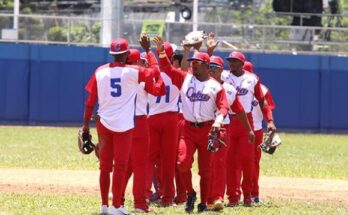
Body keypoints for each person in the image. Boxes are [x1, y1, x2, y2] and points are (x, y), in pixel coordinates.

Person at [81, 37, 161, 215]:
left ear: (112, 54)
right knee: (121, 166)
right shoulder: (132, 72)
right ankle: (116, 206)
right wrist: (149, 52)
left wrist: (86, 125)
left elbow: (89, 102)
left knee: (104, 167)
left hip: (103, 123)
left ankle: (104, 205)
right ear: (125, 54)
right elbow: (155, 72)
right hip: (124, 126)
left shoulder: (100, 71)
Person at [153, 36, 229, 213]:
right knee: (182, 163)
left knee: (206, 170)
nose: (193, 65)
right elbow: (167, 69)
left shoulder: (215, 86)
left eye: (197, 63)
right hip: (188, 129)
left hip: (207, 129)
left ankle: (203, 203)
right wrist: (162, 53)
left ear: (206, 66)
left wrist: (218, 121)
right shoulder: (186, 79)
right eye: (192, 62)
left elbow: (224, 106)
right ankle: (190, 193)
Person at [221, 51, 276, 207]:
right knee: (230, 162)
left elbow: (262, 101)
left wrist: (270, 121)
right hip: (229, 121)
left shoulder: (252, 79)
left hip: (247, 122)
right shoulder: (224, 76)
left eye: (234, 61)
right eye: (230, 60)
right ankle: (232, 197)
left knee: (248, 160)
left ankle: (248, 196)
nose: (231, 63)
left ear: (242, 63)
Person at [122, 44, 166, 213]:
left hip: (121, 122)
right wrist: (149, 52)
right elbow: (159, 89)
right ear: (138, 61)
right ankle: (140, 204)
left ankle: (116, 200)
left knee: (122, 164)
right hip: (139, 123)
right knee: (140, 165)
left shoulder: (117, 75)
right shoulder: (143, 75)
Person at [207, 56, 254, 211]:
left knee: (220, 163)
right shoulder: (198, 83)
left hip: (222, 129)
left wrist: (249, 129)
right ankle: (204, 197)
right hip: (202, 127)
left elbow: (239, 110)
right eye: (209, 66)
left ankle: (217, 197)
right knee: (204, 165)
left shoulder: (229, 89)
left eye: (215, 67)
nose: (211, 69)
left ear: (222, 70)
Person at [146, 42, 181, 207]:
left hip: (152, 117)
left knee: (148, 160)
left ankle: (143, 194)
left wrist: (148, 52)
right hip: (170, 119)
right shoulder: (176, 74)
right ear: (171, 57)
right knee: (168, 161)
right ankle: (167, 198)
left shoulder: (150, 73)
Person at [243, 61, 276, 204]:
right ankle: (251, 194)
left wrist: (269, 122)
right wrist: (270, 121)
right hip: (254, 130)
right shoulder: (263, 88)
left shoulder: (261, 89)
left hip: (255, 129)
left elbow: (267, 107)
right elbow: (269, 109)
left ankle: (250, 194)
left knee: (249, 163)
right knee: (252, 163)